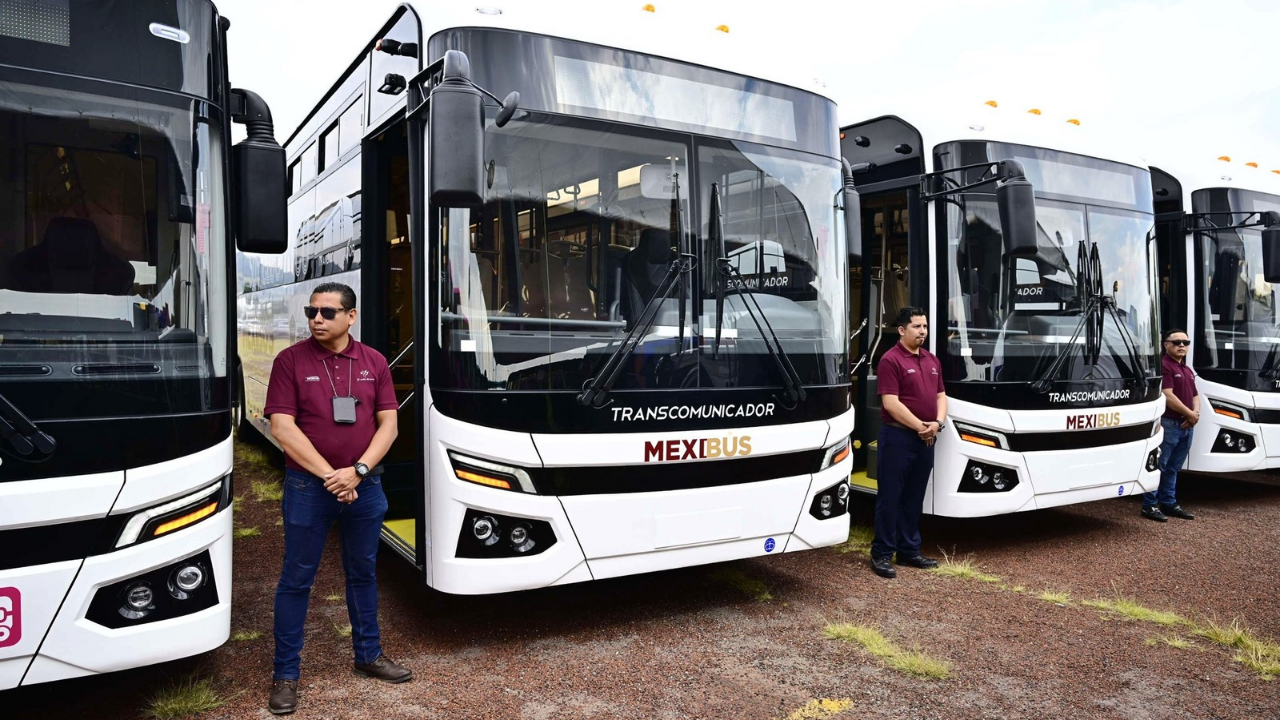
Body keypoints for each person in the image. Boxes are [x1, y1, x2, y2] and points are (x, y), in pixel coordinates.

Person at [263, 282, 409, 715]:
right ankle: (285, 675)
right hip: (310, 488)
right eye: (312, 312)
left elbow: (389, 425)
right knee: (297, 580)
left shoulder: (374, 362)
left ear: (352, 316)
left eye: (328, 312)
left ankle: (368, 656)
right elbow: (282, 428)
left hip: (365, 488)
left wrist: (358, 471)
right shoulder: (290, 361)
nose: (317, 319)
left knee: (362, 573)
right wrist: (332, 476)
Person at [870, 306, 947, 579]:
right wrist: (920, 427)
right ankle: (881, 554)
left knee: (915, 496)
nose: (923, 331)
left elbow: (941, 397)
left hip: (926, 437)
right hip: (898, 437)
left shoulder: (932, 360)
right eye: (917, 326)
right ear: (902, 330)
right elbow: (891, 403)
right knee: (890, 496)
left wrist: (936, 424)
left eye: (925, 326)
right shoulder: (890, 360)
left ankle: (908, 551)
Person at [1142, 329, 1198, 522]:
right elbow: (1167, 394)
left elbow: (1195, 395)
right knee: (1160, 465)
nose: (1182, 345)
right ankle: (1149, 505)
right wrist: (1190, 414)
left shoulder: (1187, 369)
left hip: (1186, 424)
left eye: (1185, 342)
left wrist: (1195, 414)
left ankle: (1169, 502)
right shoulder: (1165, 366)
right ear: (1166, 345)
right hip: (1170, 423)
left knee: (1173, 467)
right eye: (1176, 342)